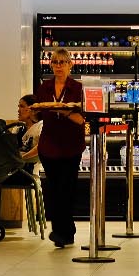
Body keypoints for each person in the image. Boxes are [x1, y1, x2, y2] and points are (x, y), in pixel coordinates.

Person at [34, 48, 87, 248]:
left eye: (62, 62)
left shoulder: (77, 88)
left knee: (67, 189)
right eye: (55, 62)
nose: (58, 66)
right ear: (51, 65)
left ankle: (63, 231)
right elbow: (39, 113)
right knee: (54, 189)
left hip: (71, 146)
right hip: (49, 146)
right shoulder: (44, 88)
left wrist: (63, 111)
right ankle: (62, 231)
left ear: (70, 65)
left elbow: (81, 119)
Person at [14, 94, 43, 164]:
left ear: (33, 109)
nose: (18, 110)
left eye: (22, 106)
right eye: (19, 107)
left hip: (37, 168)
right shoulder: (17, 129)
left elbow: (43, 146)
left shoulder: (41, 126)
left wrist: (22, 158)